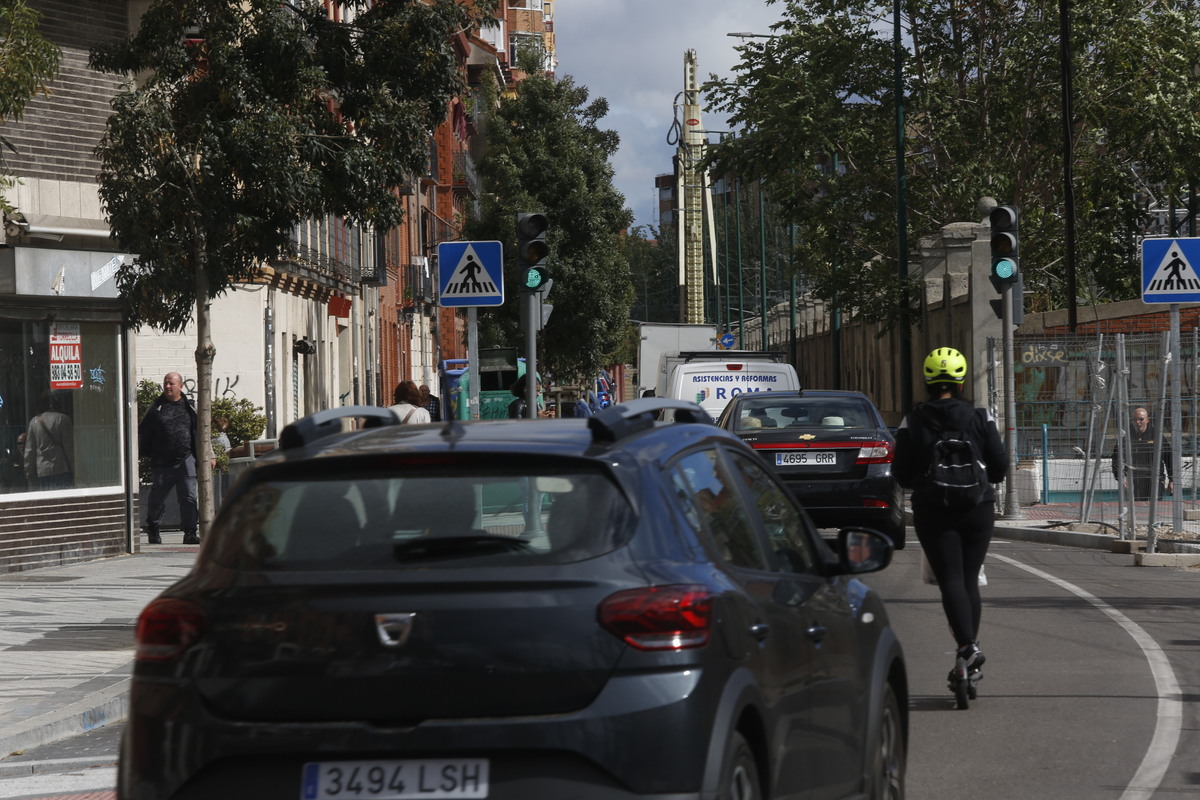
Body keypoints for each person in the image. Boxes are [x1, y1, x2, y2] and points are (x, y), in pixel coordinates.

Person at [893, 347, 1007, 683]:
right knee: (969, 578)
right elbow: (999, 468)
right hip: (978, 507)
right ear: (961, 381)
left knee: (951, 580)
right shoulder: (980, 417)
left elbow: (900, 474)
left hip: (933, 509)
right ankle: (969, 650)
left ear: (927, 380)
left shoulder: (912, 420)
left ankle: (967, 646)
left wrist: (927, 483)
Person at [139, 372, 200, 544]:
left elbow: (201, 431)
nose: (167, 386)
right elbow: (142, 431)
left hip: (185, 459)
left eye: (171, 383)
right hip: (162, 461)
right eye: (165, 383)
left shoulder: (190, 407)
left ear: (180, 386)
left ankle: (190, 532)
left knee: (188, 496)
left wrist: (209, 454)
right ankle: (153, 527)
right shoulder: (156, 407)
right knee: (157, 499)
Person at [1111, 406, 1173, 501]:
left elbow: (1169, 458)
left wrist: (1172, 479)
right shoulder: (1125, 437)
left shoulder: (1157, 436)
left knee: (1155, 508)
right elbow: (1116, 458)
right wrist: (1121, 477)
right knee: (1136, 510)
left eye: (1141, 419)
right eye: (1134, 419)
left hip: (1155, 479)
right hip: (1134, 480)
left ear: (1147, 420)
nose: (1137, 422)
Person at [24, 392, 74, 490]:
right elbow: (69, 448)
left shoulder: (35, 421)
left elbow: (30, 450)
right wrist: (75, 469)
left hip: (42, 470)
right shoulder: (63, 419)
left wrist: (28, 471)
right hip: (61, 467)